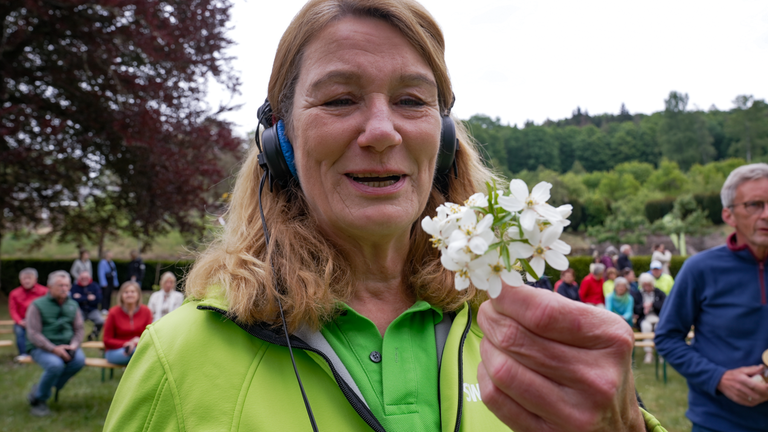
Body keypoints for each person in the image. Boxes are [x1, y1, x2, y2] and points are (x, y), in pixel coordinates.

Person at [104, 1, 664, 431]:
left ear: (442, 140)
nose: (381, 132)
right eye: (340, 99)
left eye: (412, 100)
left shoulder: (526, 332)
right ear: (282, 140)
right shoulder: (178, 359)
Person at [655, 163, 768, 432]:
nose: (767, 214)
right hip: (719, 422)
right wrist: (719, 378)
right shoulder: (700, 269)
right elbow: (667, 337)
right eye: (754, 205)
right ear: (728, 215)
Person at [25, 271, 86, 417]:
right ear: (49, 287)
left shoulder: (73, 305)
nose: (64, 288)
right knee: (55, 365)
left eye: (67, 285)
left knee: (79, 361)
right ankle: (39, 400)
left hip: (67, 345)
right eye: (60, 285)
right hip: (41, 347)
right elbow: (33, 333)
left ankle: (41, 388)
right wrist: (53, 349)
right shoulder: (37, 305)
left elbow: (79, 328)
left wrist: (74, 345)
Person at [103, 281, 152, 365]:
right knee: (138, 355)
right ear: (121, 295)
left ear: (138, 294)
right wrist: (126, 344)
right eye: (126, 292)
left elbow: (149, 336)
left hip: (139, 348)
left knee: (138, 353)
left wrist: (135, 343)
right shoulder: (113, 313)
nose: (129, 294)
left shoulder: (146, 311)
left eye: (133, 292)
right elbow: (107, 340)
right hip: (116, 351)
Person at [8, 268, 48, 361]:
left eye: (29, 278)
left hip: (39, 319)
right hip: (22, 320)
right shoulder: (14, 293)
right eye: (24, 278)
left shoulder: (44, 291)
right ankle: (23, 355)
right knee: (19, 331)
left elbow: (47, 308)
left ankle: (42, 353)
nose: (27, 281)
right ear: (20, 280)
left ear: (35, 279)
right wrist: (20, 321)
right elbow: (13, 311)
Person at [631, 273, 666, 364]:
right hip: (644, 318)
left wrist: (652, 305)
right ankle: (649, 353)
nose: (646, 287)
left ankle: (661, 352)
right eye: (644, 285)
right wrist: (643, 307)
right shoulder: (638, 294)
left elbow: (665, 306)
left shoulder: (659, 293)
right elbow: (635, 309)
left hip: (657, 317)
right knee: (646, 327)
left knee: (659, 327)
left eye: (648, 285)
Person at [70, 270, 104, 340]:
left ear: (89, 278)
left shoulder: (95, 286)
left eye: (86, 278)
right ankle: (77, 339)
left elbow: (99, 299)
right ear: (79, 278)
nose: (84, 280)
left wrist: (81, 297)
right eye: (82, 278)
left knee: (101, 321)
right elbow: (72, 301)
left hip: (92, 310)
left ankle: (93, 335)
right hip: (80, 310)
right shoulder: (75, 287)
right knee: (76, 323)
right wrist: (88, 298)